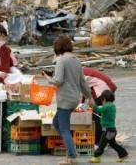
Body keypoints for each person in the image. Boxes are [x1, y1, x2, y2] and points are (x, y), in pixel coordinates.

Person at [43, 34, 91, 165]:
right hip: (74, 99)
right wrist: (89, 96)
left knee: (63, 129)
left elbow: (58, 80)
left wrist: (48, 79)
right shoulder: (76, 60)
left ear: (58, 48)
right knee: (56, 123)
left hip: (64, 100)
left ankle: (71, 157)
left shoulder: (61, 60)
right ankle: (70, 150)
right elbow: (82, 82)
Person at [89, 90, 128, 163]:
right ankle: (123, 154)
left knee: (101, 144)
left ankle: (96, 157)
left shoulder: (106, 106)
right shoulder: (112, 106)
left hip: (107, 130)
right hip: (112, 130)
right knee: (113, 144)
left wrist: (92, 104)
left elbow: (97, 110)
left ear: (104, 99)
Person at [83, 67, 117, 144]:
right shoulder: (81, 70)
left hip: (102, 89)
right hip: (105, 86)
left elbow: (81, 92)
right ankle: (107, 137)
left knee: (95, 115)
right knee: (102, 114)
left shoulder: (77, 74)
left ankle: (99, 139)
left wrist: (80, 107)